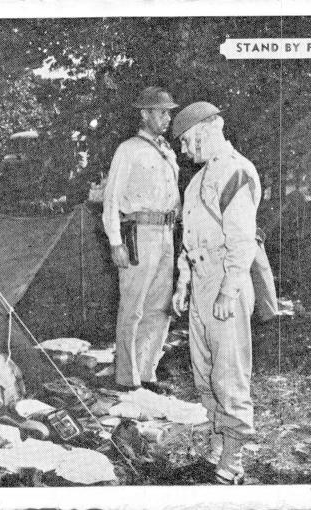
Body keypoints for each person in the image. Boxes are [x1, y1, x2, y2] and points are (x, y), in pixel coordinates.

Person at [170, 101, 261, 485]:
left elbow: (242, 241)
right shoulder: (198, 179)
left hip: (226, 281)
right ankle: (218, 442)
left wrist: (228, 291)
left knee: (229, 374)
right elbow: (188, 239)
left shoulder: (235, 171)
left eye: (189, 142)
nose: (186, 152)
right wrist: (182, 283)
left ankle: (233, 459)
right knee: (204, 372)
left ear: (210, 128)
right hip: (201, 281)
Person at [102, 86, 181, 393]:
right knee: (133, 307)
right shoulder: (129, 150)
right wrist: (115, 242)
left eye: (169, 113)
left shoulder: (167, 150)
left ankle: (147, 373)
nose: (167, 118)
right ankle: (126, 377)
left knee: (159, 308)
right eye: (161, 112)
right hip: (139, 233)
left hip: (166, 232)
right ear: (144, 114)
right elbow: (112, 199)